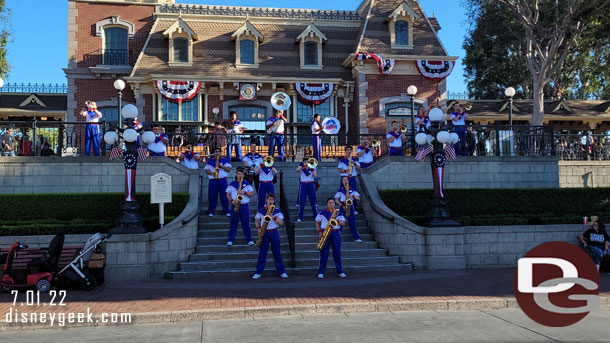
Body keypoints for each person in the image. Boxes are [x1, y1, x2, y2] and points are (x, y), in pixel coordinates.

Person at [252, 193, 288, 279]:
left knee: (277, 253)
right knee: (262, 253)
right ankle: (258, 272)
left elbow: (281, 223)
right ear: (266, 200)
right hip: (264, 232)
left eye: (272, 199)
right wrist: (258, 228)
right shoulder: (261, 210)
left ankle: (282, 271)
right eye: (269, 199)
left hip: (274, 232)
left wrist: (273, 217)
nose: (270, 201)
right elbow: (256, 220)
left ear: (274, 201)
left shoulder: (277, 210)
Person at [316, 198, 347, 279]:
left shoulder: (338, 212)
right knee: (324, 253)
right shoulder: (322, 212)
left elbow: (343, 223)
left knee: (337, 252)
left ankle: (340, 271)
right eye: (329, 202)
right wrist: (319, 232)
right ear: (327, 204)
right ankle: (321, 272)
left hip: (335, 232)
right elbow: (317, 222)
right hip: (325, 232)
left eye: (333, 202)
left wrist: (337, 220)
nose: (331, 204)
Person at [225, 167, 255, 246]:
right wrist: (232, 201)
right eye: (239, 174)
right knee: (233, 223)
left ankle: (249, 240)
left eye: (242, 174)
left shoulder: (247, 183)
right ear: (236, 175)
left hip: (244, 206)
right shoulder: (232, 184)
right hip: (235, 205)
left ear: (244, 175)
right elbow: (227, 194)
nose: (240, 175)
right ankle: (230, 240)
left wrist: (244, 192)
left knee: (246, 223)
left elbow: (251, 194)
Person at [204, 147, 232, 217]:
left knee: (224, 196)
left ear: (220, 153)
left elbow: (228, 169)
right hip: (213, 181)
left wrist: (221, 165)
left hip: (223, 180)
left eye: (218, 151)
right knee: (212, 196)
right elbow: (206, 170)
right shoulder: (210, 161)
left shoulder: (225, 160)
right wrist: (212, 174)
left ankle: (227, 211)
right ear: (214, 153)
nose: (217, 153)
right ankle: (211, 211)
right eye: (216, 152)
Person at [335, 176, 362, 243]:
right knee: (340, 222)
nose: (345, 181)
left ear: (348, 181)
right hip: (342, 206)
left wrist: (352, 196)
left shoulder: (352, 189)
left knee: (352, 223)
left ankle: (357, 237)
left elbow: (358, 198)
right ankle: (337, 237)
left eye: (346, 179)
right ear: (342, 181)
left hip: (350, 206)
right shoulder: (340, 190)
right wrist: (341, 205)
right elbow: (336, 199)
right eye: (344, 180)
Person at [338, 146, 361, 212]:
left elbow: (359, 168)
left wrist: (354, 163)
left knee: (353, 193)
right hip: (344, 178)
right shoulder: (342, 160)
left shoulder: (355, 159)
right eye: (347, 150)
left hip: (352, 178)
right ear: (345, 152)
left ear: (352, 151)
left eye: (350, 150)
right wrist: (346, 171)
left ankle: (353, 209)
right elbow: (339, 170)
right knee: (343, 193)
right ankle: (343, 208)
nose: (349, 151)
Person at [296, 155, 318, 222]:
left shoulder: (312, 167)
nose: (306, 163)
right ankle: (300, 217)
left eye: (307, 162)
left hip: (311, 184)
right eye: (305, 162)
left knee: (313, 201)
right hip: (303, 185)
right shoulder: (301, 167)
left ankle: (316, 216)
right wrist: (303, 166)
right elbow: (297, 170)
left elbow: (315, 175)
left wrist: (311, 168)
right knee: (302, 201)